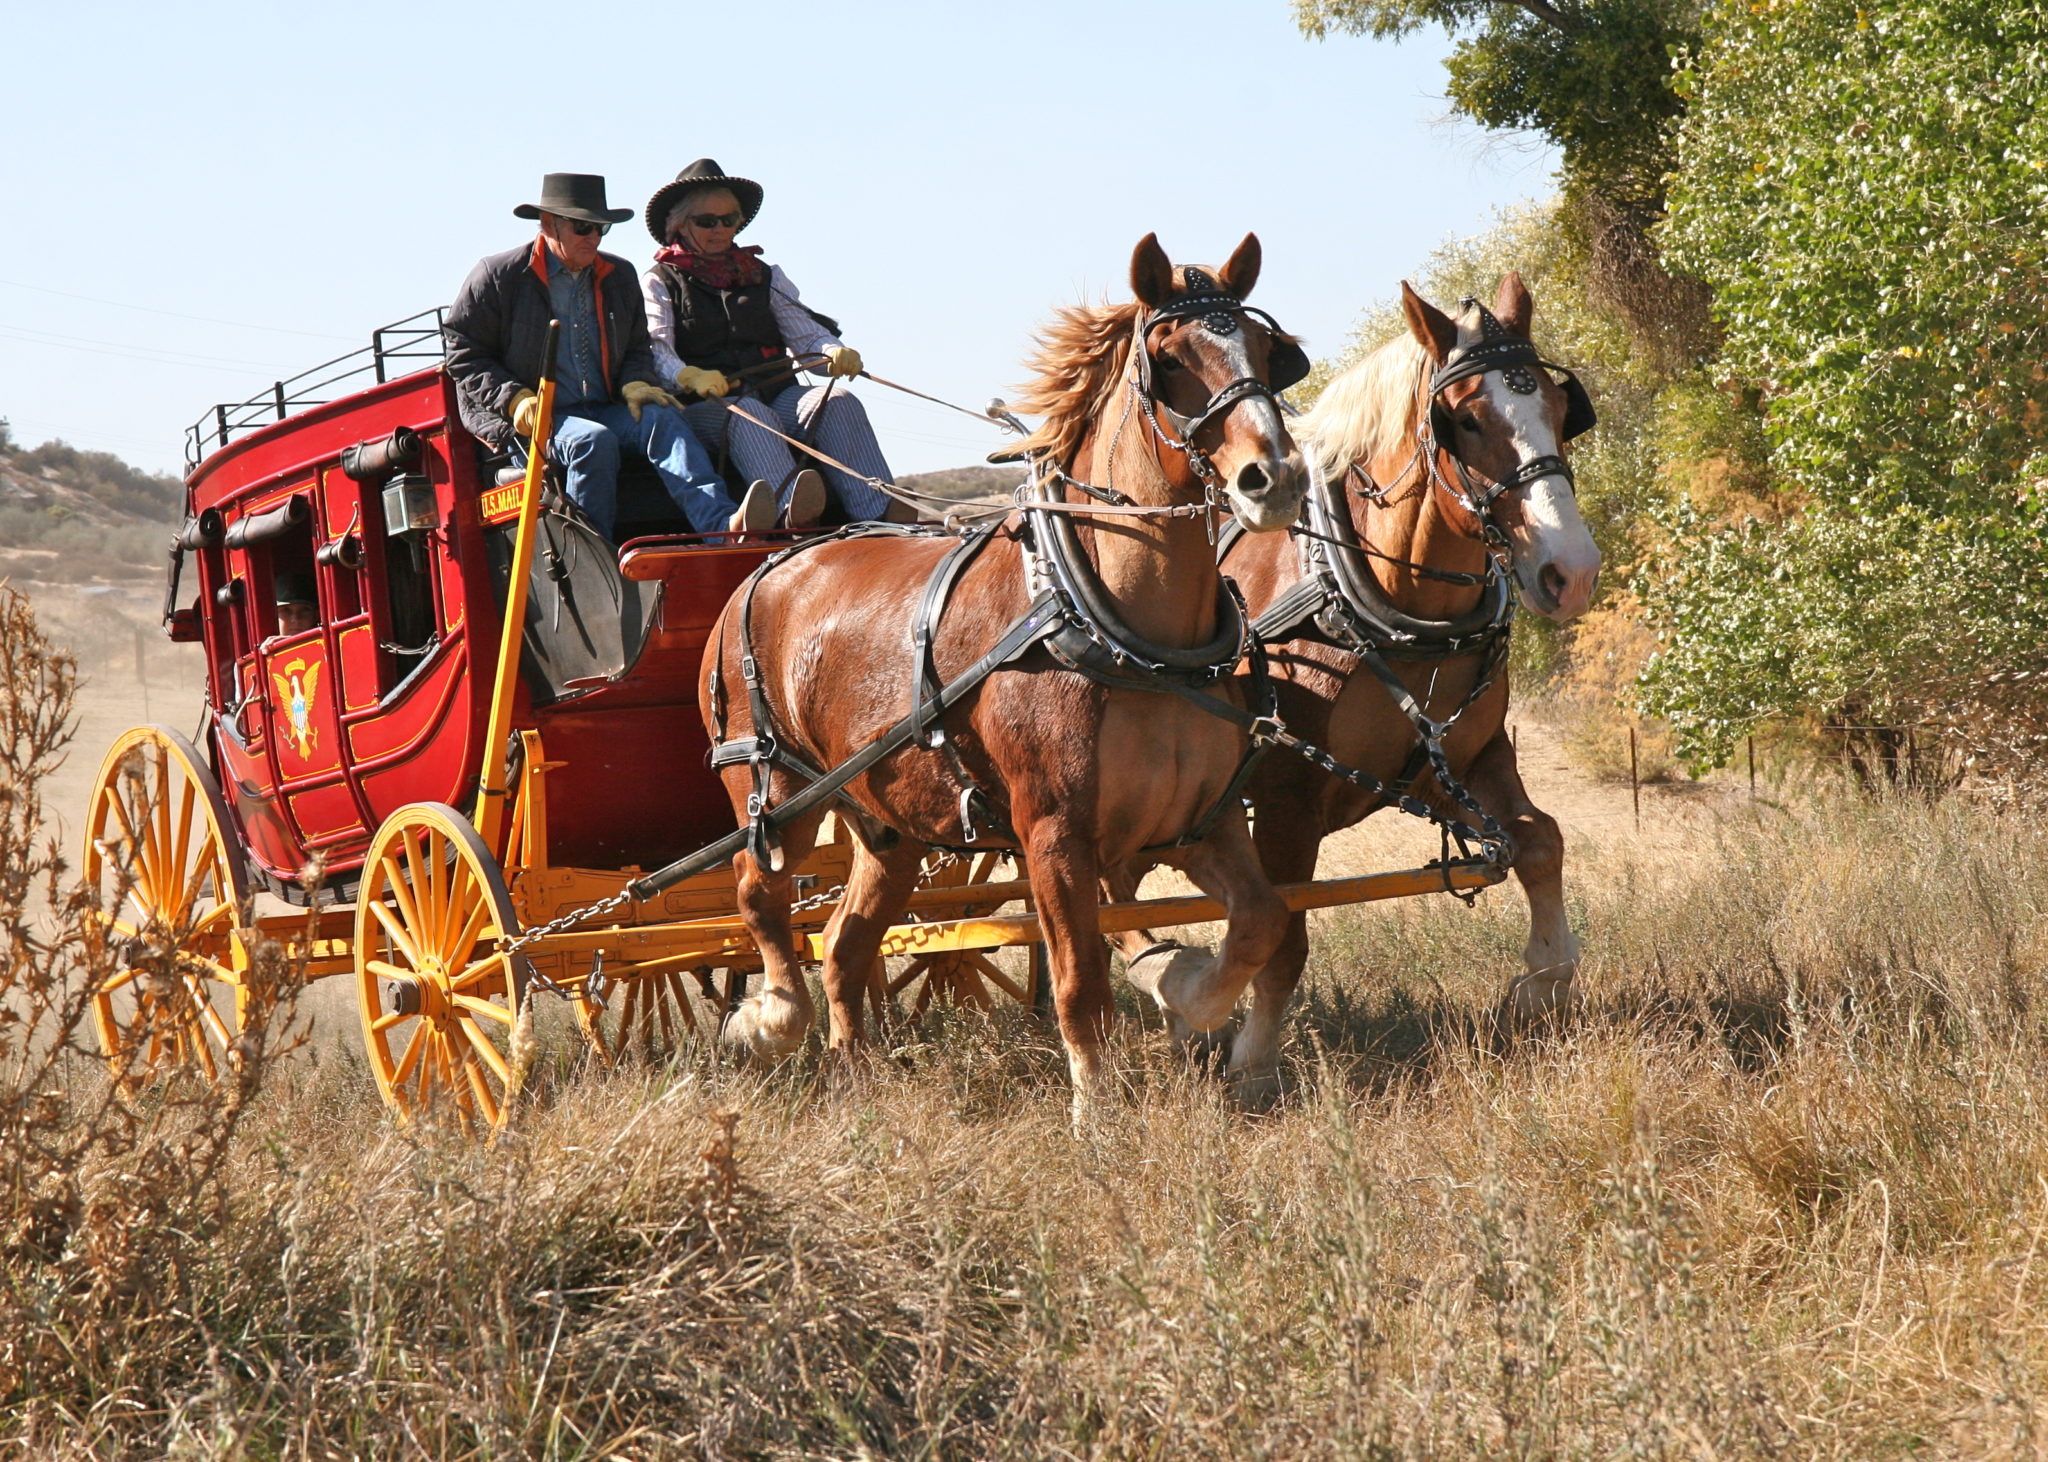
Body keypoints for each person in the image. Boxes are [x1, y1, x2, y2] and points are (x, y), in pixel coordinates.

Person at [444, 172, 774, 543]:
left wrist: (634, 381)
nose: (594, 238)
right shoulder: (498, 275)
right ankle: (592, 556)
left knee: (663, 419)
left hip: (606, 406)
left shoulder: (619, 274)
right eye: (584, 227)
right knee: (592, 440)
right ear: (550, 225)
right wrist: (514, 398)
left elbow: (636, 346)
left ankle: (724, 529)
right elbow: (462, 350)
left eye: (601, 229)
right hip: (543, 420)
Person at [641, 160, 908, 529]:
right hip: (707, 407)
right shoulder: (659, 281)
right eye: (707, 221)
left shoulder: (765, 275)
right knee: (751, 417)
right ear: (680, 225)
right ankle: (790, 516)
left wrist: (831, 351)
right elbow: (657, 351)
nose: (720, 229)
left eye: (729, 219)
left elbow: (806, 337)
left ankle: (879, 513)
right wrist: (687, 375)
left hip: (778, 395)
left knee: (836, 401)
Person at [275, 571, 318, 637]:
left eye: (304, 610)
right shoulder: (266, 646)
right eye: (286, 610)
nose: (295, 619)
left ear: (316, 615)